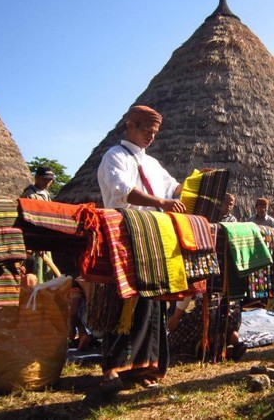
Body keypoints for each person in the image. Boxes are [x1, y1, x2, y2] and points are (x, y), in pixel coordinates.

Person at [97, 105, 188, 391]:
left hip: (153, 237)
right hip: (126, 235)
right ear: (130, 125)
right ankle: (112, 367)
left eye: (155, 132)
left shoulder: (153, 164)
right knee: (124, 300)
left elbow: (174, 189)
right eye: (147, 130)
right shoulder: (115, 156)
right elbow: (121, 190)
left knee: (152, 302)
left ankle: (142, 368)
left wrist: (199, 182)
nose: (151, 136)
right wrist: (160, 203)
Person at [21, 166, 56, 283]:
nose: (47, 183)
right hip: (36, 241)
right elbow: (29, 222)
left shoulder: (46, 194)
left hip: (45, 240)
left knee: (47, 273)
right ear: (36, 178)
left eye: (49, 180)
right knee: (36, 273)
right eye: (44, 179)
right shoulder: (30, 195)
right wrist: (37, 243)